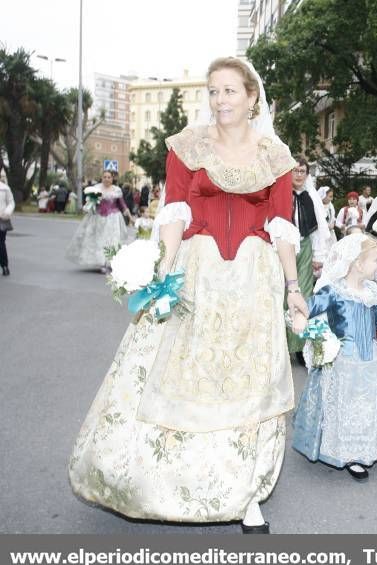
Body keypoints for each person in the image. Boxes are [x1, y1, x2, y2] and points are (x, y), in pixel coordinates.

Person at [68, 56, 309, 534]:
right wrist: (162, 270)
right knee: (181, 373)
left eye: (229, 91)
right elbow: (175, 210)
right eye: (214, 91)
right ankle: (165, 482)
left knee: (248, 382)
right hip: (196, 273)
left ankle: (247, 494)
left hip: (253, 280)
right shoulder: (186, 146)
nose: (220, 100)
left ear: (251, 96)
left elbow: (282, 226)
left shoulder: (275, 155)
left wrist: (293, 287)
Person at [291, 234, 377, 480]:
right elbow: (310, 306)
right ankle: (347, 452)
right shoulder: (335, 291)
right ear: (357, 264)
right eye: (374, 260)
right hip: (343, 362)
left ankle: (365, 448)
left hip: (371, 360)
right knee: (344, 405)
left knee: (368, 405)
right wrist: (299, 316)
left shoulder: (372, 293)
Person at [285, 157, 332, 363]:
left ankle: (299, 346)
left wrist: (319, 255)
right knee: (281, 295)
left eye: (302, 171)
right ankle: (281, 346)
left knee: (302, 293)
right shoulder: (281, 193)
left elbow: (319, 227)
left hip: (304, 247)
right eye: (294, 171)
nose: (298, 175)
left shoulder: (311, 196)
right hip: (282, 247)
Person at [65, 170, 133, 272]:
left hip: (113, 219)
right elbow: (91, 203)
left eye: (109, 177)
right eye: (104, 177)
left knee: (112, 240)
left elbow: (122, 204)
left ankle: (110, 262)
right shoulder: (96, 189)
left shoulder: (116, 190)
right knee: (100, 240)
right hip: (98, 218)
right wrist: (89, 206)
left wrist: (130, 216)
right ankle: (102, 263)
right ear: (102, 178)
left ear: (112, 178)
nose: (106, 179)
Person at [0, 172, 14, 276]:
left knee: (1, 243)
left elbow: (11, 202)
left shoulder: (5, 188)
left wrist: (7, 212)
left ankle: (4, 266)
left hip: (2, 218)